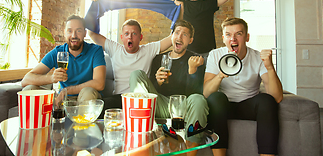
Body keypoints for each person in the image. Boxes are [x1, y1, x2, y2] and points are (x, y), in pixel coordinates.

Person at [203, 17, 283, 156]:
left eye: (238, 34)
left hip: (248, 106)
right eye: (228, 35)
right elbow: (206, 93)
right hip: (223, 107)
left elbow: (276, 97)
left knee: (267, 100)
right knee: (215, 98)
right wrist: (220, 75)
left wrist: (269, 67)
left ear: (247, 37)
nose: (233, 39)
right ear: (223, 38)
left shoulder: (257, 57)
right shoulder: (215, 55)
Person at [129, 19, 207, 154]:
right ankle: (144, 130)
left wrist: (192, 70)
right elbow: (151, 92)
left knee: (198, 100)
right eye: (177, 33)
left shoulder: (195, 60)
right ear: (172, 36)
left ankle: (189, 154)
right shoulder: (158, 59)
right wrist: (157, 82)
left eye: (185, 35)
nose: (180, 37)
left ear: (190, 40)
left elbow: (195, 94)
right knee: (136, 75)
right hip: (162, 104)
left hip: (183, 107)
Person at [88, 17, 172, 113]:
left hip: (140, 98)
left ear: (140, 37)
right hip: (119, 98)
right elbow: (91, 33)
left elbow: (172, 38)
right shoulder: (115, 49)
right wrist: (96, 5)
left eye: (134, 34)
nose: (130, 37)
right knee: (96, 109)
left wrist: (180, 8)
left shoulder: (148, 50)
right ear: (122, 37)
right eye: (126, 34)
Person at [21, 15, 106, 102]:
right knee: (29, 89)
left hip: (86, 97)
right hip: (63, 99)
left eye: (78, 31)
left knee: (88, 92)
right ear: (64, 33)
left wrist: (67, 90)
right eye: (70, 31)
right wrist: (52, 78)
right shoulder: (58, 52)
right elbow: (26, 80)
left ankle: (80, 116)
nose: (74, 35)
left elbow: (99, 84)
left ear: (85, 33)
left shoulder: (95, 50)